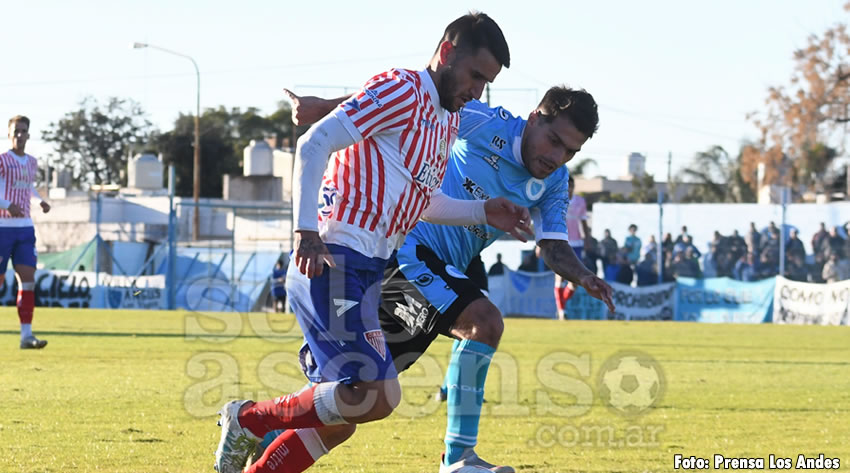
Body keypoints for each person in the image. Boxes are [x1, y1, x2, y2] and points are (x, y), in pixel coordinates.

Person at [214, 13, 525, 473]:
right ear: (445, 54)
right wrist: (306, 232)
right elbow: (314, 142)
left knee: (341, 419)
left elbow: (419, 201)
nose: (477, 91)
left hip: (368, 272)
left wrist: (481, 212)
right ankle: (246, 419)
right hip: (332, 258)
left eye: (487, 83)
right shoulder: (401, 88)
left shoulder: (444, 121)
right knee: (378, 397)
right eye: (475, 75)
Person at [256, 85, 615, 472]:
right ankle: (459, 458)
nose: (556, 157)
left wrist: (583, 275)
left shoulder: (555, 181)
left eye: (570, 152)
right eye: (554, 141)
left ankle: (255, 432)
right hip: (408, 251)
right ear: (535, 118)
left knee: (352, 407)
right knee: (484, 322)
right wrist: (325, 107)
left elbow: (553, 245)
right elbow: (408, 104)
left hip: (435, 273)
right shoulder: (484, 121)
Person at [0, 115, 51, 349]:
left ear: (28, 135)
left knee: (28, 281)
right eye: (15, 131)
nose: (19, 135)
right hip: (3, 229)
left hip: (25, 230)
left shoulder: (31, 162)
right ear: (9, 134)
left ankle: (26, 336)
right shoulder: (2, 161)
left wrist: (40, 201)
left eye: (23, 131)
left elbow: (28, 186)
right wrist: (6, 204)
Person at [554, 175, 588, 320]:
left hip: (576, 244)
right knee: (559, 277)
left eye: (571, 186)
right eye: (567, 186)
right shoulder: (556, 200)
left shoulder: (580, 202)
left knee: (574, 282)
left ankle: (562, 305)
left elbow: (584, 222)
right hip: (560, 243)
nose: (569, 189)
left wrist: (588, 239)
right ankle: (561, 311)